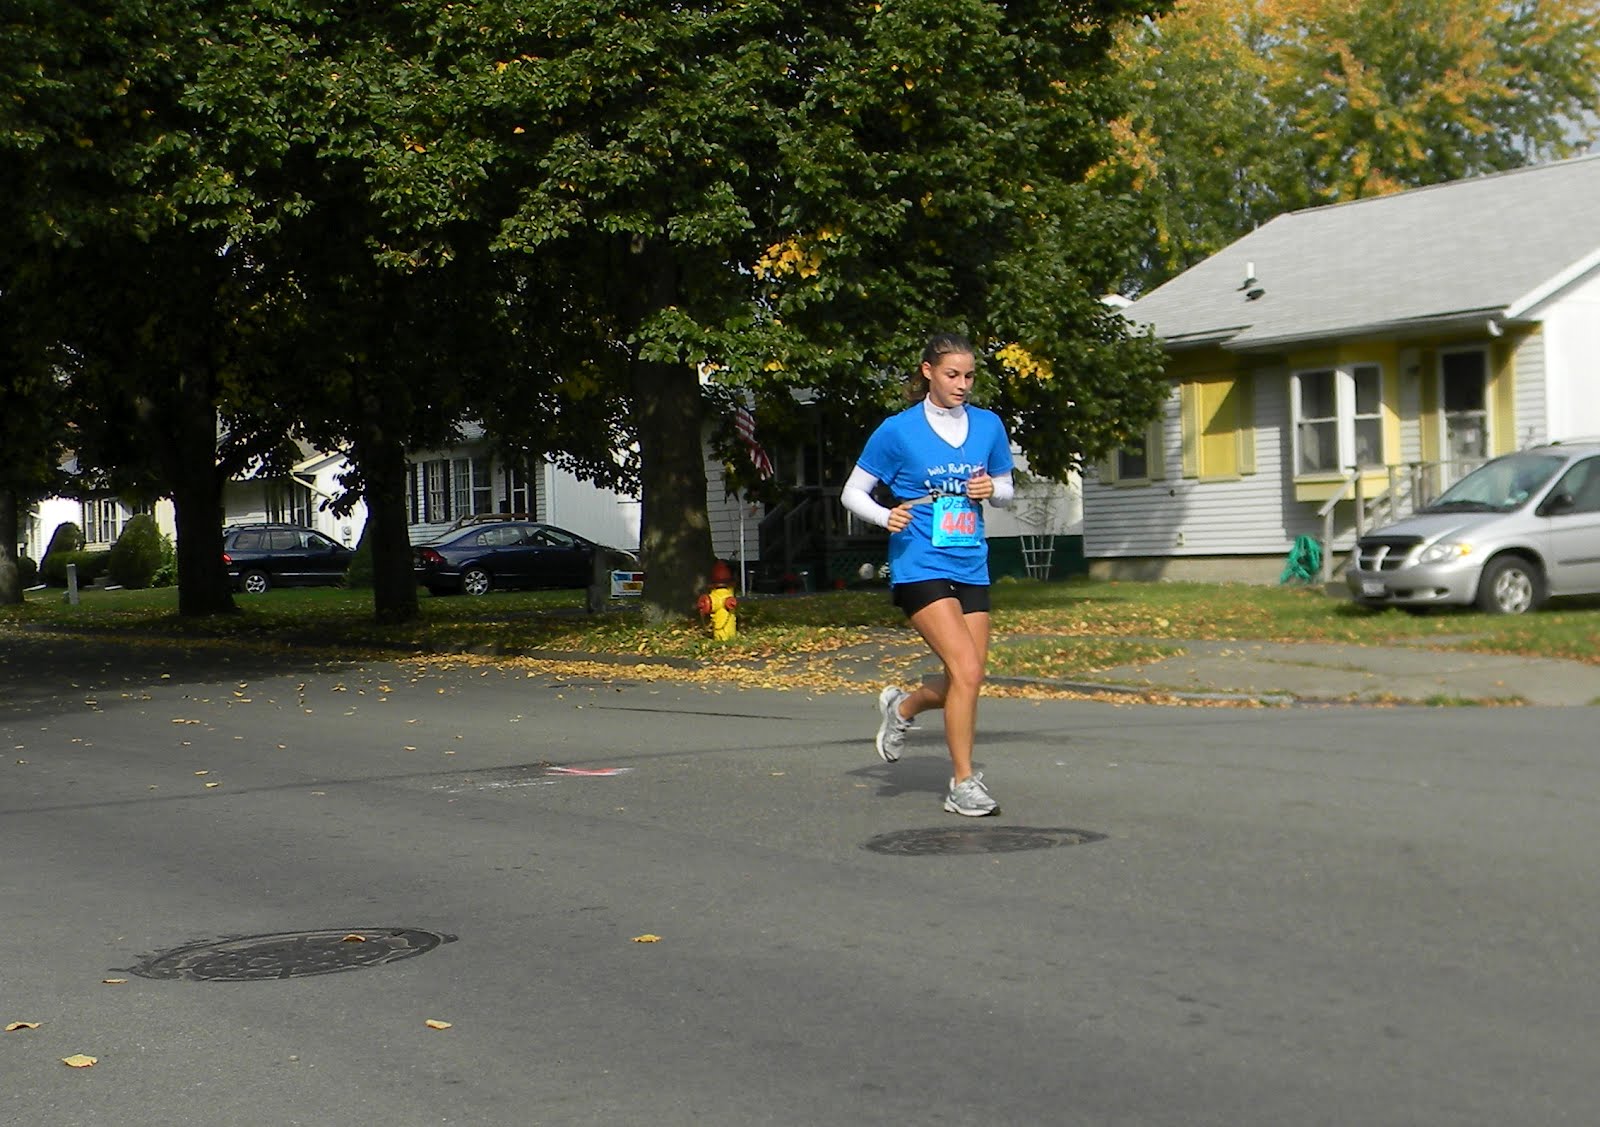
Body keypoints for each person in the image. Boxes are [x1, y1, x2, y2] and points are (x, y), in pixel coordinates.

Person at [840, 332, 1016, 816]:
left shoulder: (988, 425)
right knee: (965, 669)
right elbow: (852, 492)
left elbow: (1005, 488)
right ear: (927, 372)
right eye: (952, 374)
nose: (962, 385)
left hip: (970, 560)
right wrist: (883, 516)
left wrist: (990, 489)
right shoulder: (898, 430)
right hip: (919, 560)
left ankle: (903, 707)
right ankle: (963, 783)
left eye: (969, 376)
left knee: (970, 676)